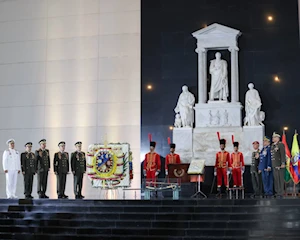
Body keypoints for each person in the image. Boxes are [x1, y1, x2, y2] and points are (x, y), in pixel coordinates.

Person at [271, 132, 286, 198]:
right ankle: (277, 192)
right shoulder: (272, 146)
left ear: (277, 138)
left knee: (280, 179)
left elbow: (282, 154)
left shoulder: (280, 145)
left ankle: (281, 192)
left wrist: (283, 163)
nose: (273, 138)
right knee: (276, 179)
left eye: (274, 137)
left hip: (279, 164)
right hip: (274, 164)